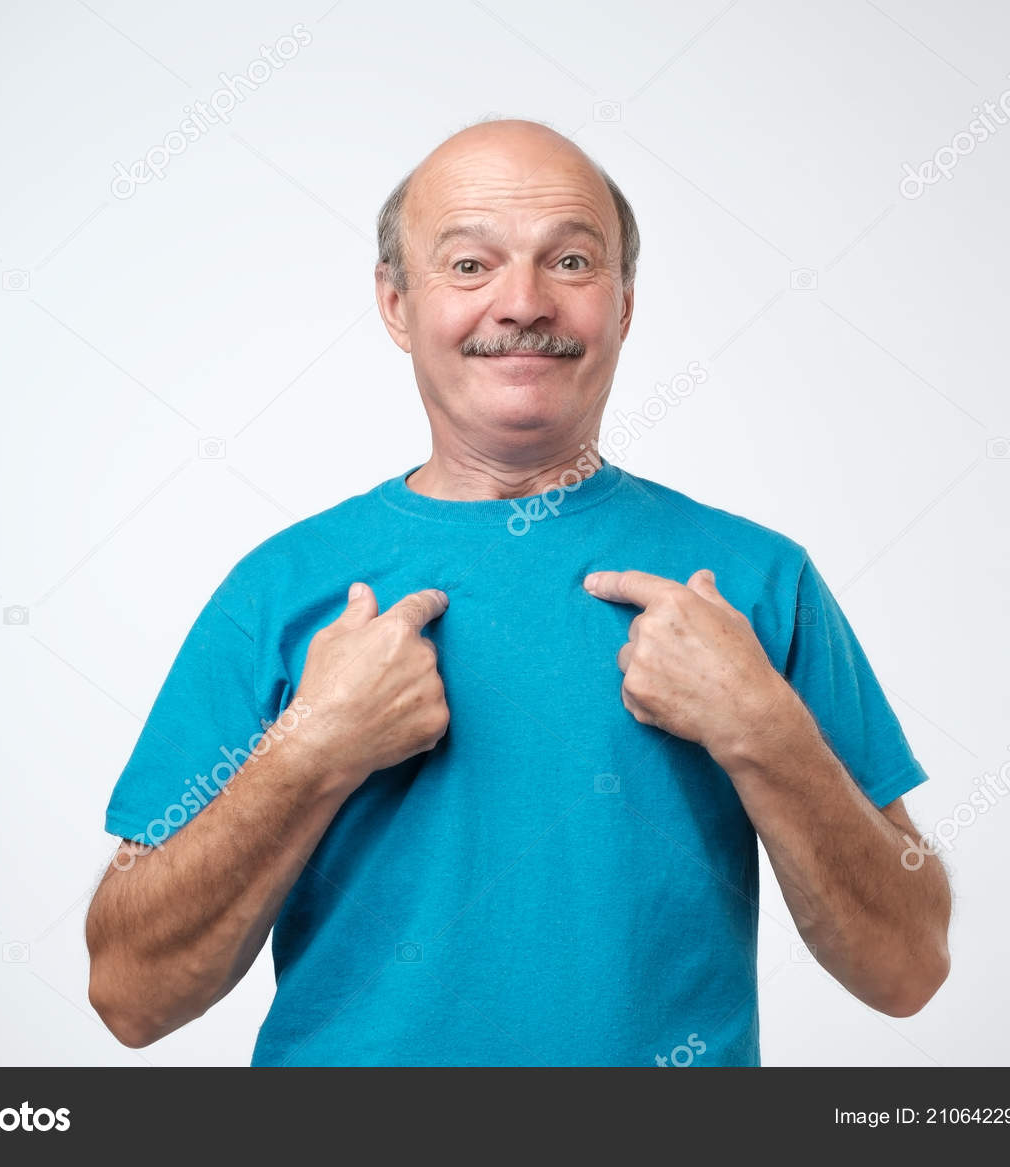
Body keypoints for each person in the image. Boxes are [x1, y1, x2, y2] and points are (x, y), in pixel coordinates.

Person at [85, 117, 951, 1066]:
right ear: (395, 304)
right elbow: (131, 993)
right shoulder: (279, 588)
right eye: (468, 266)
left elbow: (908, 966)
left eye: (572, 261)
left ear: (622, 305)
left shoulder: (755, 580)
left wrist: (766, 730)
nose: (523, 303)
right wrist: (313, 749)